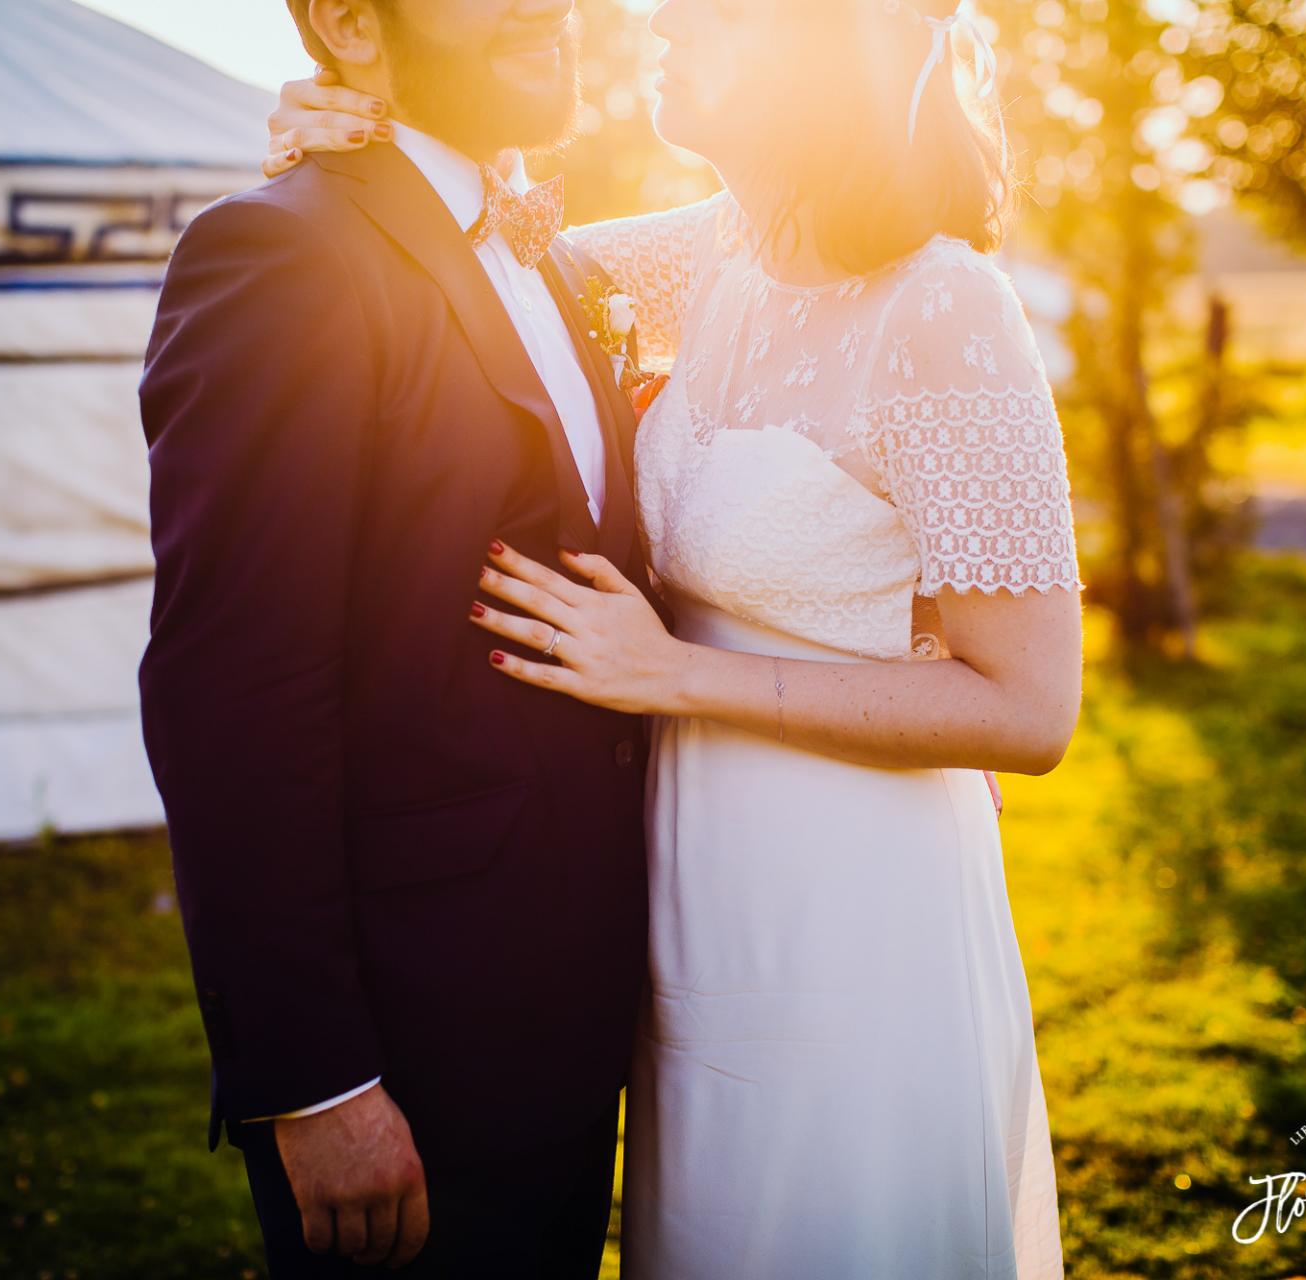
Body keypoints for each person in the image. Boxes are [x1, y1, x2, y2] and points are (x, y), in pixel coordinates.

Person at [264, 0, 1080, 1275]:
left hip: (853, 895)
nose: (654, 17)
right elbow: (463, 248)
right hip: (689, 888)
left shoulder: (946, 305)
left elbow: (1031, 709)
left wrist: (673, 672)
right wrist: (352, 126)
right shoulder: (695, 260)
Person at [137, 0, 665, 1274]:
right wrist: (314, 1079)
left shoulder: (564, 258)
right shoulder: (279, 256)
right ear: (347, 25)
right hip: (411, 1034)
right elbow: (234, 693)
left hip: (580, 1001)